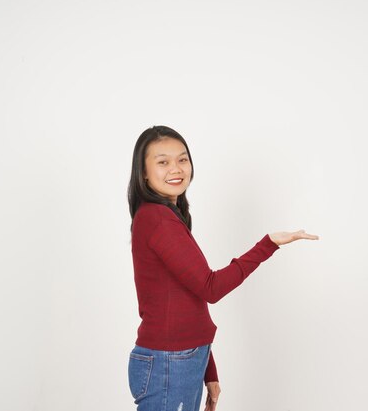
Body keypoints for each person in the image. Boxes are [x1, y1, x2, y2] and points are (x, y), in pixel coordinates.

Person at [126, 125, 319, 411]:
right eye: (163, 162)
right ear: (143, 172)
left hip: (179, 361)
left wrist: (207, 370)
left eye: (182, 159)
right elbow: (210, 288)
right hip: (170, 364)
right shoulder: (158, 220)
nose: (176, 169)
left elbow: (187, 300)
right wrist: (268, 244)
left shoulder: (164, 216)